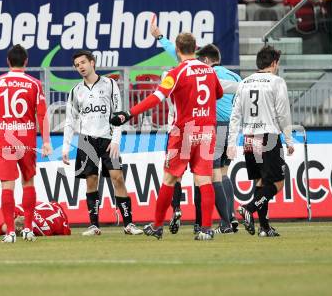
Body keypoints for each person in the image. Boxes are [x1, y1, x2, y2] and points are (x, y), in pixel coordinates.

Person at [111, 33, 223, 240]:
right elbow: (219, 94)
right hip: (208, 130)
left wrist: (129, 114)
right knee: (204, 180)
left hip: (183, 132)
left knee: (170, 179)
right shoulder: (209, 70)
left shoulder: (176, 72)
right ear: (196, 47)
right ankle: (206, 229)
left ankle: (157, 225)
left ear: (178, 50)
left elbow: (157, 97)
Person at [150, 24, 241, 235]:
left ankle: (197, 219)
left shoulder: (203, 71)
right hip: (229, 127)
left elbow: (181, 57)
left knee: (194, 176)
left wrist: (161, 37)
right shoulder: (234, 76)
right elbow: (238, 95)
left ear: (206, 60)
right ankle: (228, 218)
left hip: (203, 125)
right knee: (221, 175)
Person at [62, 50, 143, 236]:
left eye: (83, 62)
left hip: (108, 138)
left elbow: (119, 114)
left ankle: (129, 224)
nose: (80, 67)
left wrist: (115, 140)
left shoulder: (110, 84)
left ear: (92, 62)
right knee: (91, 181)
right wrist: (66, 147)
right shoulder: (76, 91)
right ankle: (94, 225)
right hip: (86, 141)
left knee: (118, 178)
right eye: (77, 65)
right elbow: (70, 120)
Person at [0, 44, 52, 244]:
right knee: (28, 182)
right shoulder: (35, 84)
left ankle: (10, 232)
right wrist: (46, 141)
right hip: (27, 139)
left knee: (7, 186)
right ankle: (28, 230)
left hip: (5, 139)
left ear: (8, 61)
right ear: (26, 62)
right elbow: (42, 114)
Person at [227, 45, 294, 237]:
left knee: (260, 182)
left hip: (249, 138)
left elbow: (235, 116)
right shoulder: (276, 82)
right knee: (278, 183)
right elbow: (283, 114)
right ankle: (249, 208)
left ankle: (264, 228)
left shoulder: (244, 83)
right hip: (269, 138)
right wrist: (289, 140)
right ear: (273, 63)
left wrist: (232, 143)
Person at [0, 202, 71, 237]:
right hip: (55, 208)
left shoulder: (43, 230)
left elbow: (65, 232)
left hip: (56, 212)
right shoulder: (18, 210)